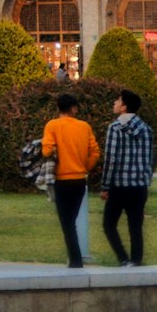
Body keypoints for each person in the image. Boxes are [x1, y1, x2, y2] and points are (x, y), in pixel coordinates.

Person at [42, 94, 100, 268]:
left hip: (61, 180)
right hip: (79, 179)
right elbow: (95, 152)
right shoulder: (84, 127)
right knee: (71, 220)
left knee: (66, 222)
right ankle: (74, 258)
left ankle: (75, 260)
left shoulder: (52, 126)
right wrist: (85, 167)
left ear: (58, 108)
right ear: (74, 108)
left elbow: (46, 151)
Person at [100, 88, 154, 266]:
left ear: (124, 107)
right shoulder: (146, 129)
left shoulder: (115, 128)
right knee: (135, 226)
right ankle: (136, 260)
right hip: (139, 186)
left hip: (119, 186)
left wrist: (105, 186)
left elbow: (111, 159)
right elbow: (149, 160)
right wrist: (146, 180)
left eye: (117, 101)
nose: (114, 104)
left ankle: (123, 258)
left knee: (109, 225)